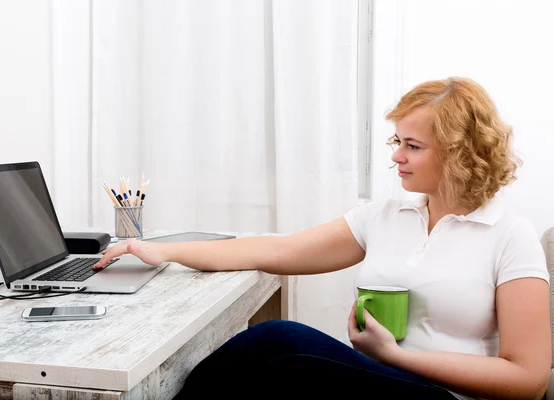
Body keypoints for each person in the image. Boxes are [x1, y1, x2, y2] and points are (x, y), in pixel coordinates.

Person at [94, 77, 551, 400]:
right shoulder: (387, 217)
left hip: (445, 394)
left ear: (459, 153)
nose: (396, 156)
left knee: (281, 344)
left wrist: (394, 356)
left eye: (412, 146)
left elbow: (527, 381)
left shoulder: (510, 236)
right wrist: (163, 250)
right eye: (396, 141)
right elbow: (279, 249)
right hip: (382, 375)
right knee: (265, 361)